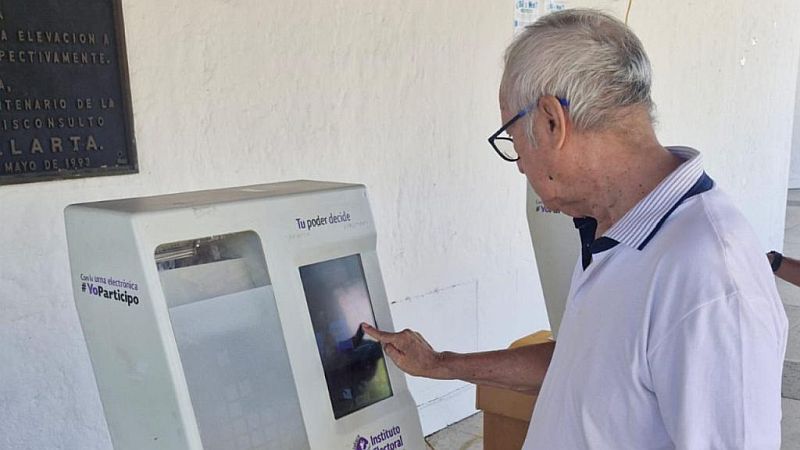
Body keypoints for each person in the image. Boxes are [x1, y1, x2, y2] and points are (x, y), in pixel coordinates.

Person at [361, 9, 788, 449]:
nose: (520, 164)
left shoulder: (712, 282)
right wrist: (442, 364)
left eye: (512, 138)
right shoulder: (618, 230)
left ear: (551, 121)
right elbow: (583, 362)